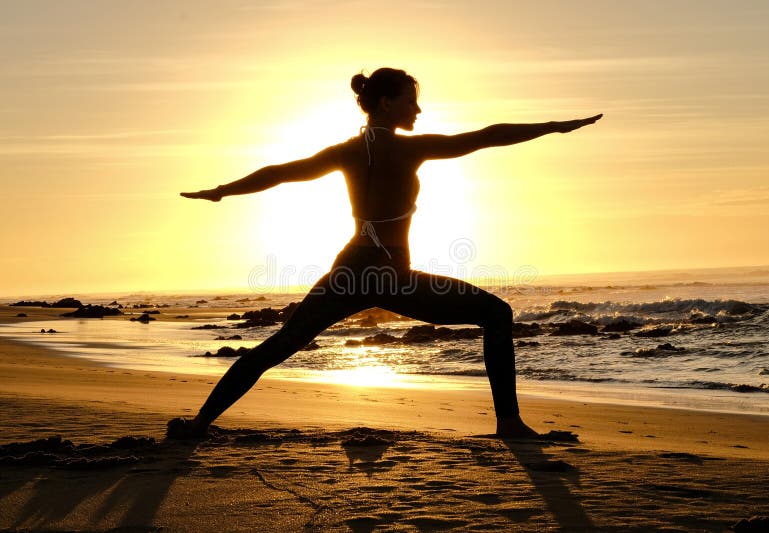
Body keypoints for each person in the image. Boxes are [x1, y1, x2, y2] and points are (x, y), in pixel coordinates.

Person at [173, 67, 602, 439]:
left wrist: (223, 192)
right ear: (385, 102)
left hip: (350, 269)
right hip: (390, 275)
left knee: (282, 343)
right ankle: (508, 424)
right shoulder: (409, 148)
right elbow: (485, 137)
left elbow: (281, 173)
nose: (417, 111)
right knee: (496, 313)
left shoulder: (344, 152)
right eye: (410, 101)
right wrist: (553, 127)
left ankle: (199, 425)